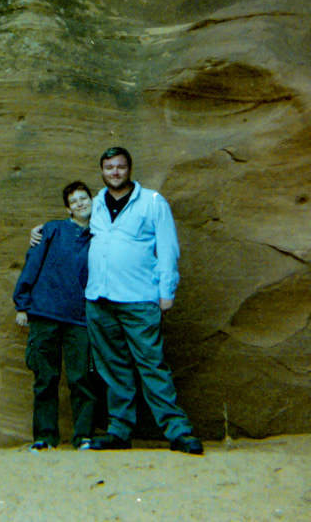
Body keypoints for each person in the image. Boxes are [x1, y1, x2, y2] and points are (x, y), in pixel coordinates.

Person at [84, 146, 203, 454]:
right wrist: (39, 230)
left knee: (152, 365)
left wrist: (167, 294)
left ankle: (179, 432)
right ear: (102, 171)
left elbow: (168, 249)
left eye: (120, 167)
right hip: (99, 299)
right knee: (112, 368)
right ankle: (119, 431)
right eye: (109, 167)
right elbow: (73, 227)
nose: (115, 173)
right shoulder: (95, 203)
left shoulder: (151, 202)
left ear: (130, 169)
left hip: (138, 299)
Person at [13, 180, 97, 451]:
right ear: (68, 209)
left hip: (79, 317)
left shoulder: (101, 234)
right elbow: (32, 264)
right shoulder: (51, 230)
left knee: (81, 378)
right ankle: (45, 438)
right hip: (45, 313)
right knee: (45, 378)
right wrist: (22, 304)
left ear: (92, 200)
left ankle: (83, 436)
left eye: (84, 198)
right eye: (74, 201)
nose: (80, 204)